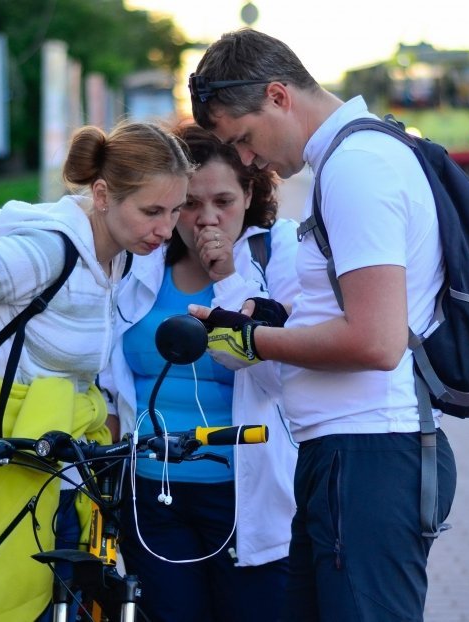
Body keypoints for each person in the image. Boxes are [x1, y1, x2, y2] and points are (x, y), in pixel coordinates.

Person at [186, 29, 457, 622]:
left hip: (367, 455)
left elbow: (376, 341)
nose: (250, 160)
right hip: (346, 455)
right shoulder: (352, 159)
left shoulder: (356, 168)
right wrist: (280, 320)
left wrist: (253, 338)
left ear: (279, 96)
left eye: (245, 140)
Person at [0, 121, 192, 621]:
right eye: (152, 211)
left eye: (175, 210)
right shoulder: (46, 253)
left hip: (70, 465)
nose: (164, 229)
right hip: (11, 460)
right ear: (102, 194)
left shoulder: (119, 257)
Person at [99, 122, 300, 622]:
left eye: (224, 201)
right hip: (151, 488)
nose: (206, 219)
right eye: (189, 202)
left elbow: (279, 376)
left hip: (243, 494)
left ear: (251, 193)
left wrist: (227, 280)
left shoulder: (279, 256)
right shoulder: (137, 262)